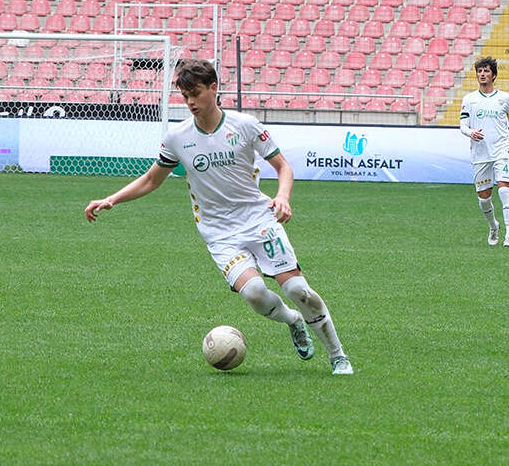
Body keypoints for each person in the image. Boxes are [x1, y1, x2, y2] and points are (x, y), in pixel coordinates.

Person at [85, 59, 353, 375]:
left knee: (298, 290)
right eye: (185, 96)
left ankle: (338, 356)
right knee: (255, 294)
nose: (190, 102)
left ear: (213, 88)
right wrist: (112, 199)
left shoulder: (245, 125)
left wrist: (282, 197)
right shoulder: (177, 137)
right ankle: (292, 320)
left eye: (195, 93)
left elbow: (283, 167)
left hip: (259, 220)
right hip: (219, 232)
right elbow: (151, 179)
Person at [459, 56, 509, 248]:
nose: (482, 74)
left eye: (486, 71)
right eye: (479, 71)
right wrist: (471, 132)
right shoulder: (469, 99)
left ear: (494, 75)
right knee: (484, 199)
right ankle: (493, 226)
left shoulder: (505, 99)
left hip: (502, 150)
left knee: (504, 188)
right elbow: (462, 125)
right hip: (480, 153)